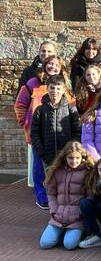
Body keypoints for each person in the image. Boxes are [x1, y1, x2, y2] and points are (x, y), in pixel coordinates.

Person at [15, 55, 74, 209]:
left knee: (60, 169)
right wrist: (25, 123)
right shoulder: (32, 84)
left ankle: (59, 197)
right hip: (40, 136)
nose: (52, 67)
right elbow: (20, 105)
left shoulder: (66, 86)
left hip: (61, 137)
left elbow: (72, 112)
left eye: (56, 65)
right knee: (39, 167)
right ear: (44, 65)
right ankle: (42, 197)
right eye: (49, 64)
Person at [39, 141, 94, 250]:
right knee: (45, 244)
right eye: (70, 158)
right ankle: (60, 233)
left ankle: (76, 233)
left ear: (82, 157)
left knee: (69, 245)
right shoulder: (57, 171)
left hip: (76, 219)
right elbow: (51, 194)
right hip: (58, 217)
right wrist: (54, 211)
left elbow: (90, 197)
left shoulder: (88, 172)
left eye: (77, 158)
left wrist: (80, 214)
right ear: (65, 157)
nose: (74, 161)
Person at [30, 75, 82, 167]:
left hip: (67, 157)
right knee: (50, 180)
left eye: (58, 88)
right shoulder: (40, 110)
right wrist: (41, 151)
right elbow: (34, 133)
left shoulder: (71, 109)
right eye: (52, 88)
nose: (55, 91)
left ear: (63, 90)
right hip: (47, 157)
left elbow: (78, 131)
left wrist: (72, 149)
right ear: (47, 88)